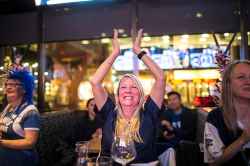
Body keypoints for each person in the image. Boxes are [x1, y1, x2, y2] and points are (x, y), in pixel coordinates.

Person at [90, 29, 165, 164]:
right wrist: (114, 53)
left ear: (141, 94)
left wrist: (138, 51)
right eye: (123, 87)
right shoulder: (109, 112)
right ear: (117, 95)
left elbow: (160, 78)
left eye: (134, 87)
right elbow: (95, 82)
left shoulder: (150, 112)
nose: (128, 91)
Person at [204, 60, 250, 166]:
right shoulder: (216, 117)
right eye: (241, 77)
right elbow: (213, 162)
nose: (248, 81)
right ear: (228, 83)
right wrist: (243, 139)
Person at [0, 69, 41, 166]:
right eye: (7, 84)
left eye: (14, 84)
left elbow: (29, 142)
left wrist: (1, 142)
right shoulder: (8, 108)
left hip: (22, 161)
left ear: (24, 89)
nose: (8, 87)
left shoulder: (31, 112)